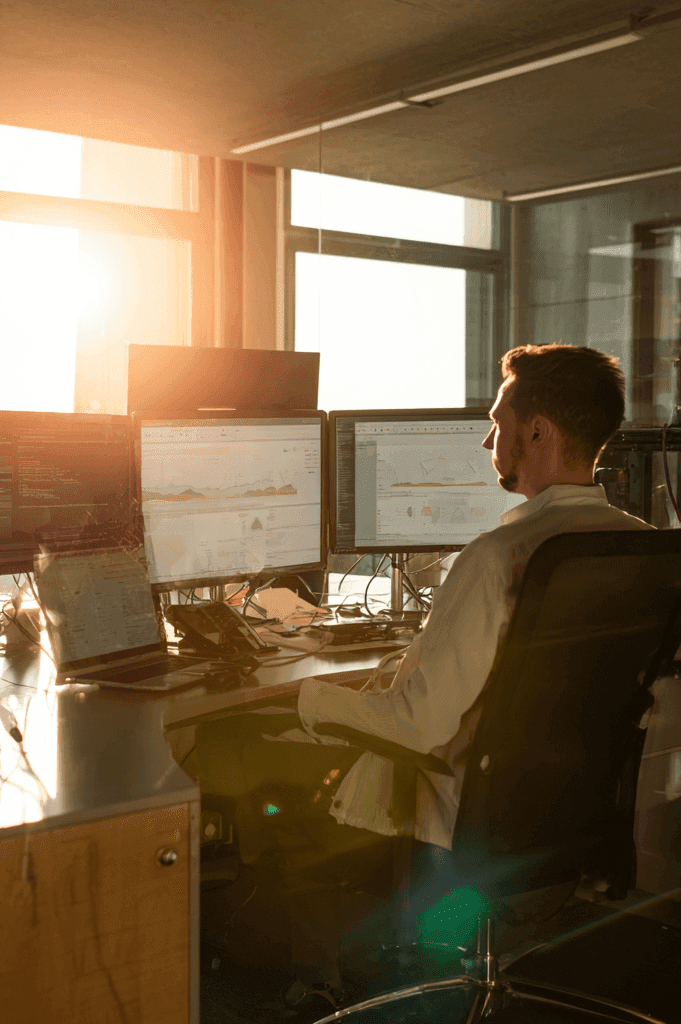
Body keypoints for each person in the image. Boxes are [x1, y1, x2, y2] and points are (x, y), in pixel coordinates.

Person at [191, 344, 652, 998]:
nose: (490, 438)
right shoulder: (632, 545)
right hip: (562, 822)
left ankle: (274, 975)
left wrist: (307, 702)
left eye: (498, 422)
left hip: (468, 825)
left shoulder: (497, 558)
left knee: (228, 746)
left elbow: (418, 726)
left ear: (538, 431)